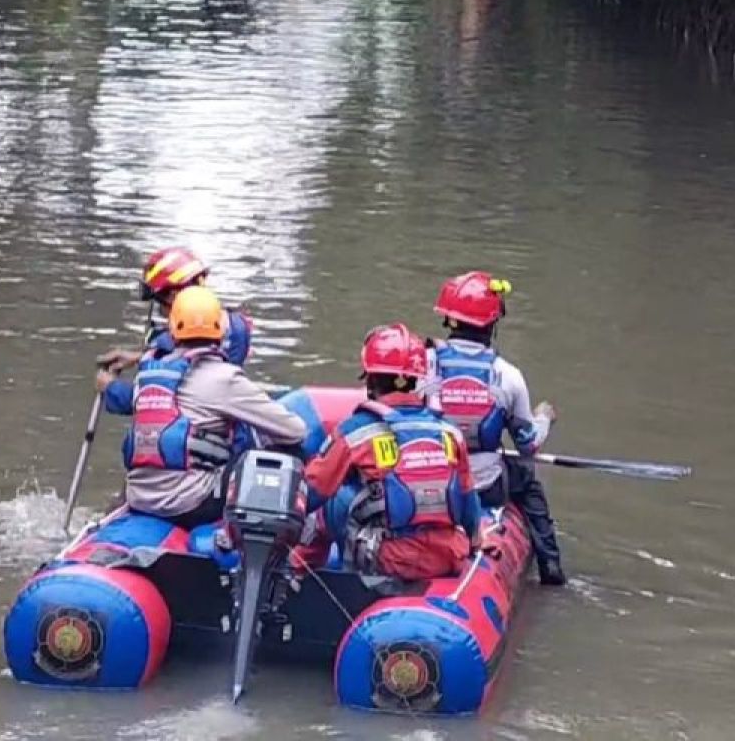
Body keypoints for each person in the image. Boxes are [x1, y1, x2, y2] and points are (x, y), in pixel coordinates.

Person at [291, 323, 492, 582]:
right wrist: (476, 541)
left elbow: (312, 492)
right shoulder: (449, 432)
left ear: (371, 379)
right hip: (447, 557)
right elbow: (468, 500)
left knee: (332, 498)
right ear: (417, 380)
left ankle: (297, 571)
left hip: (389, 559)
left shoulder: (355, 432)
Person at [96, 286, 307, 529]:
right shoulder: (225, 379)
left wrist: (108, 386)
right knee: (287, 453)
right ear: (220, 334)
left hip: (140, 497)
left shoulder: (149, 373)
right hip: (189, 505)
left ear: (172, 333)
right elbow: (295, 430)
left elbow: (128, 399)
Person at [427, 272, 566, 585]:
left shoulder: (420, 364)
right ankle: (551, 566)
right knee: (527, 481)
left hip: (427, 482)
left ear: (449, 321)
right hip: (484, 487)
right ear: (493, 324)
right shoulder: (508, 376)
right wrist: (544, 418)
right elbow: (528, 445)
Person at [98, 248, 253, 414]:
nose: (160, 311)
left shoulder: (172, 341)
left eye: (159, 302)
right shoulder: (233, 326)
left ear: (172, 296)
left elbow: (152, 399)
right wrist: (141, 357)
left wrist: (109, 387)